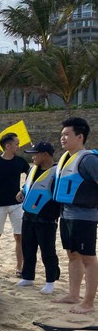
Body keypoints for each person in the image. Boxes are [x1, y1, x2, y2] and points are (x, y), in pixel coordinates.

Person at [52, 117, 98, 314]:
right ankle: (73, 295)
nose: (62, 138)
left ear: (80, 137)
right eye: (61, 134)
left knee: (88, 258)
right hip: (67, 214)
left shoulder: (88, 160)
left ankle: (88, 302)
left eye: (66, 134)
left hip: (84, 217)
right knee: (72, 256)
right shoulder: (66, 158)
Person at [15, 141, 60, 294]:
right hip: (28, 216)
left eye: (35, 154)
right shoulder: (33, 170)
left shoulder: (57, 173)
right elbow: (29, 186)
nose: (33, 157)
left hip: (46, 218)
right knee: (28, 247)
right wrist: (22, 192)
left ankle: (50, 281)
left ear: (45, 155)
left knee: (47, 250)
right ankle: (28, 277)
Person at [0, 132, 30, 274]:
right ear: (7, 146)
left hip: (17, 204)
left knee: (19, 235)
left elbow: (31, 176)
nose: (18, 146)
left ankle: (19, 267)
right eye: (16, 143)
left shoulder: (21, 161)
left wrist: (24, 190)